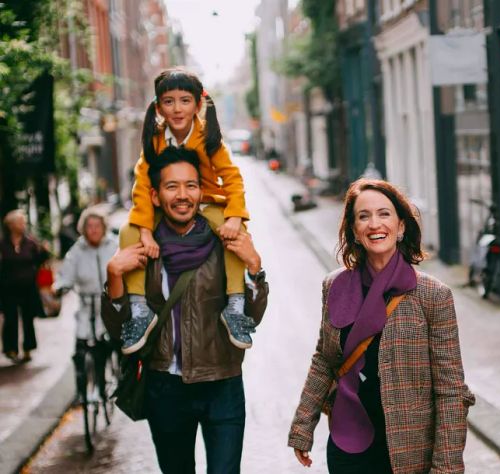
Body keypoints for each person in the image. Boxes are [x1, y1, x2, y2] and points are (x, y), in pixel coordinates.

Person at [288, 179, 475, 473]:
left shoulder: (432, 296)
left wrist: (446, 467)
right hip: (349, 445)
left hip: (408, 452)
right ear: (354, 230)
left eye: (384, 214)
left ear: (401, 227)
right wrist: (303, 425)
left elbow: (451, 391)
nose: (374, 224)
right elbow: (325, 359)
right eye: (364, 216)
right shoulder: (334, 286)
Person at [102, 146, 268, 473]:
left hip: (222, 383)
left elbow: (252, 317)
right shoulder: (141, 245)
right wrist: (113, 275)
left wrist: (255, 268)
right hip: (165, 388)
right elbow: (119, 330)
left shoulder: (225, 238)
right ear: (154, 194)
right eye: (172, 186)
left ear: (201, 190)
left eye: (191, 185)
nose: (183, 195)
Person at [119, 67, 253, 356]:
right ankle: (140, 309)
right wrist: (144, 232)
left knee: (236, 234)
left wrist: (233, 217)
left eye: (184, 100)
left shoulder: (209, 136)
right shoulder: (154, 138)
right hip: (166, 202)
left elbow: (232, 178)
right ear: (158, 107)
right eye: (169, 101)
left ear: (197, 104)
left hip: (204, 200)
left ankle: (235, 305)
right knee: (127, 231)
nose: (177, 108)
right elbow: (142, 184)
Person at [53, 207, 119, 398]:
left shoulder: (114, 245)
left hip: (112, 305)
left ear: (103, 227)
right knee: (81, 349)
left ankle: (120, 380)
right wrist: (60, 286)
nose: (93, 230)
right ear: (83, 228)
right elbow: (66, 274)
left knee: (117, 343)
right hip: (87, 307)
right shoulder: (77, 251)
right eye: (89, 226)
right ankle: (82, 388)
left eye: (97, 226)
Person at [0, 210, 51, 363]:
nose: (23, 225)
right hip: (8, 288)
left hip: (28, 287)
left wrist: (45, 252)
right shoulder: (3, 244)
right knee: (10, 318)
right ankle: (11, 349)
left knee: (28, 318)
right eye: (20, 222)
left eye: (24, 222)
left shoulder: (31, 243)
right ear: (11, 225)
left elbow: (40, 260)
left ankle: (28, 348)